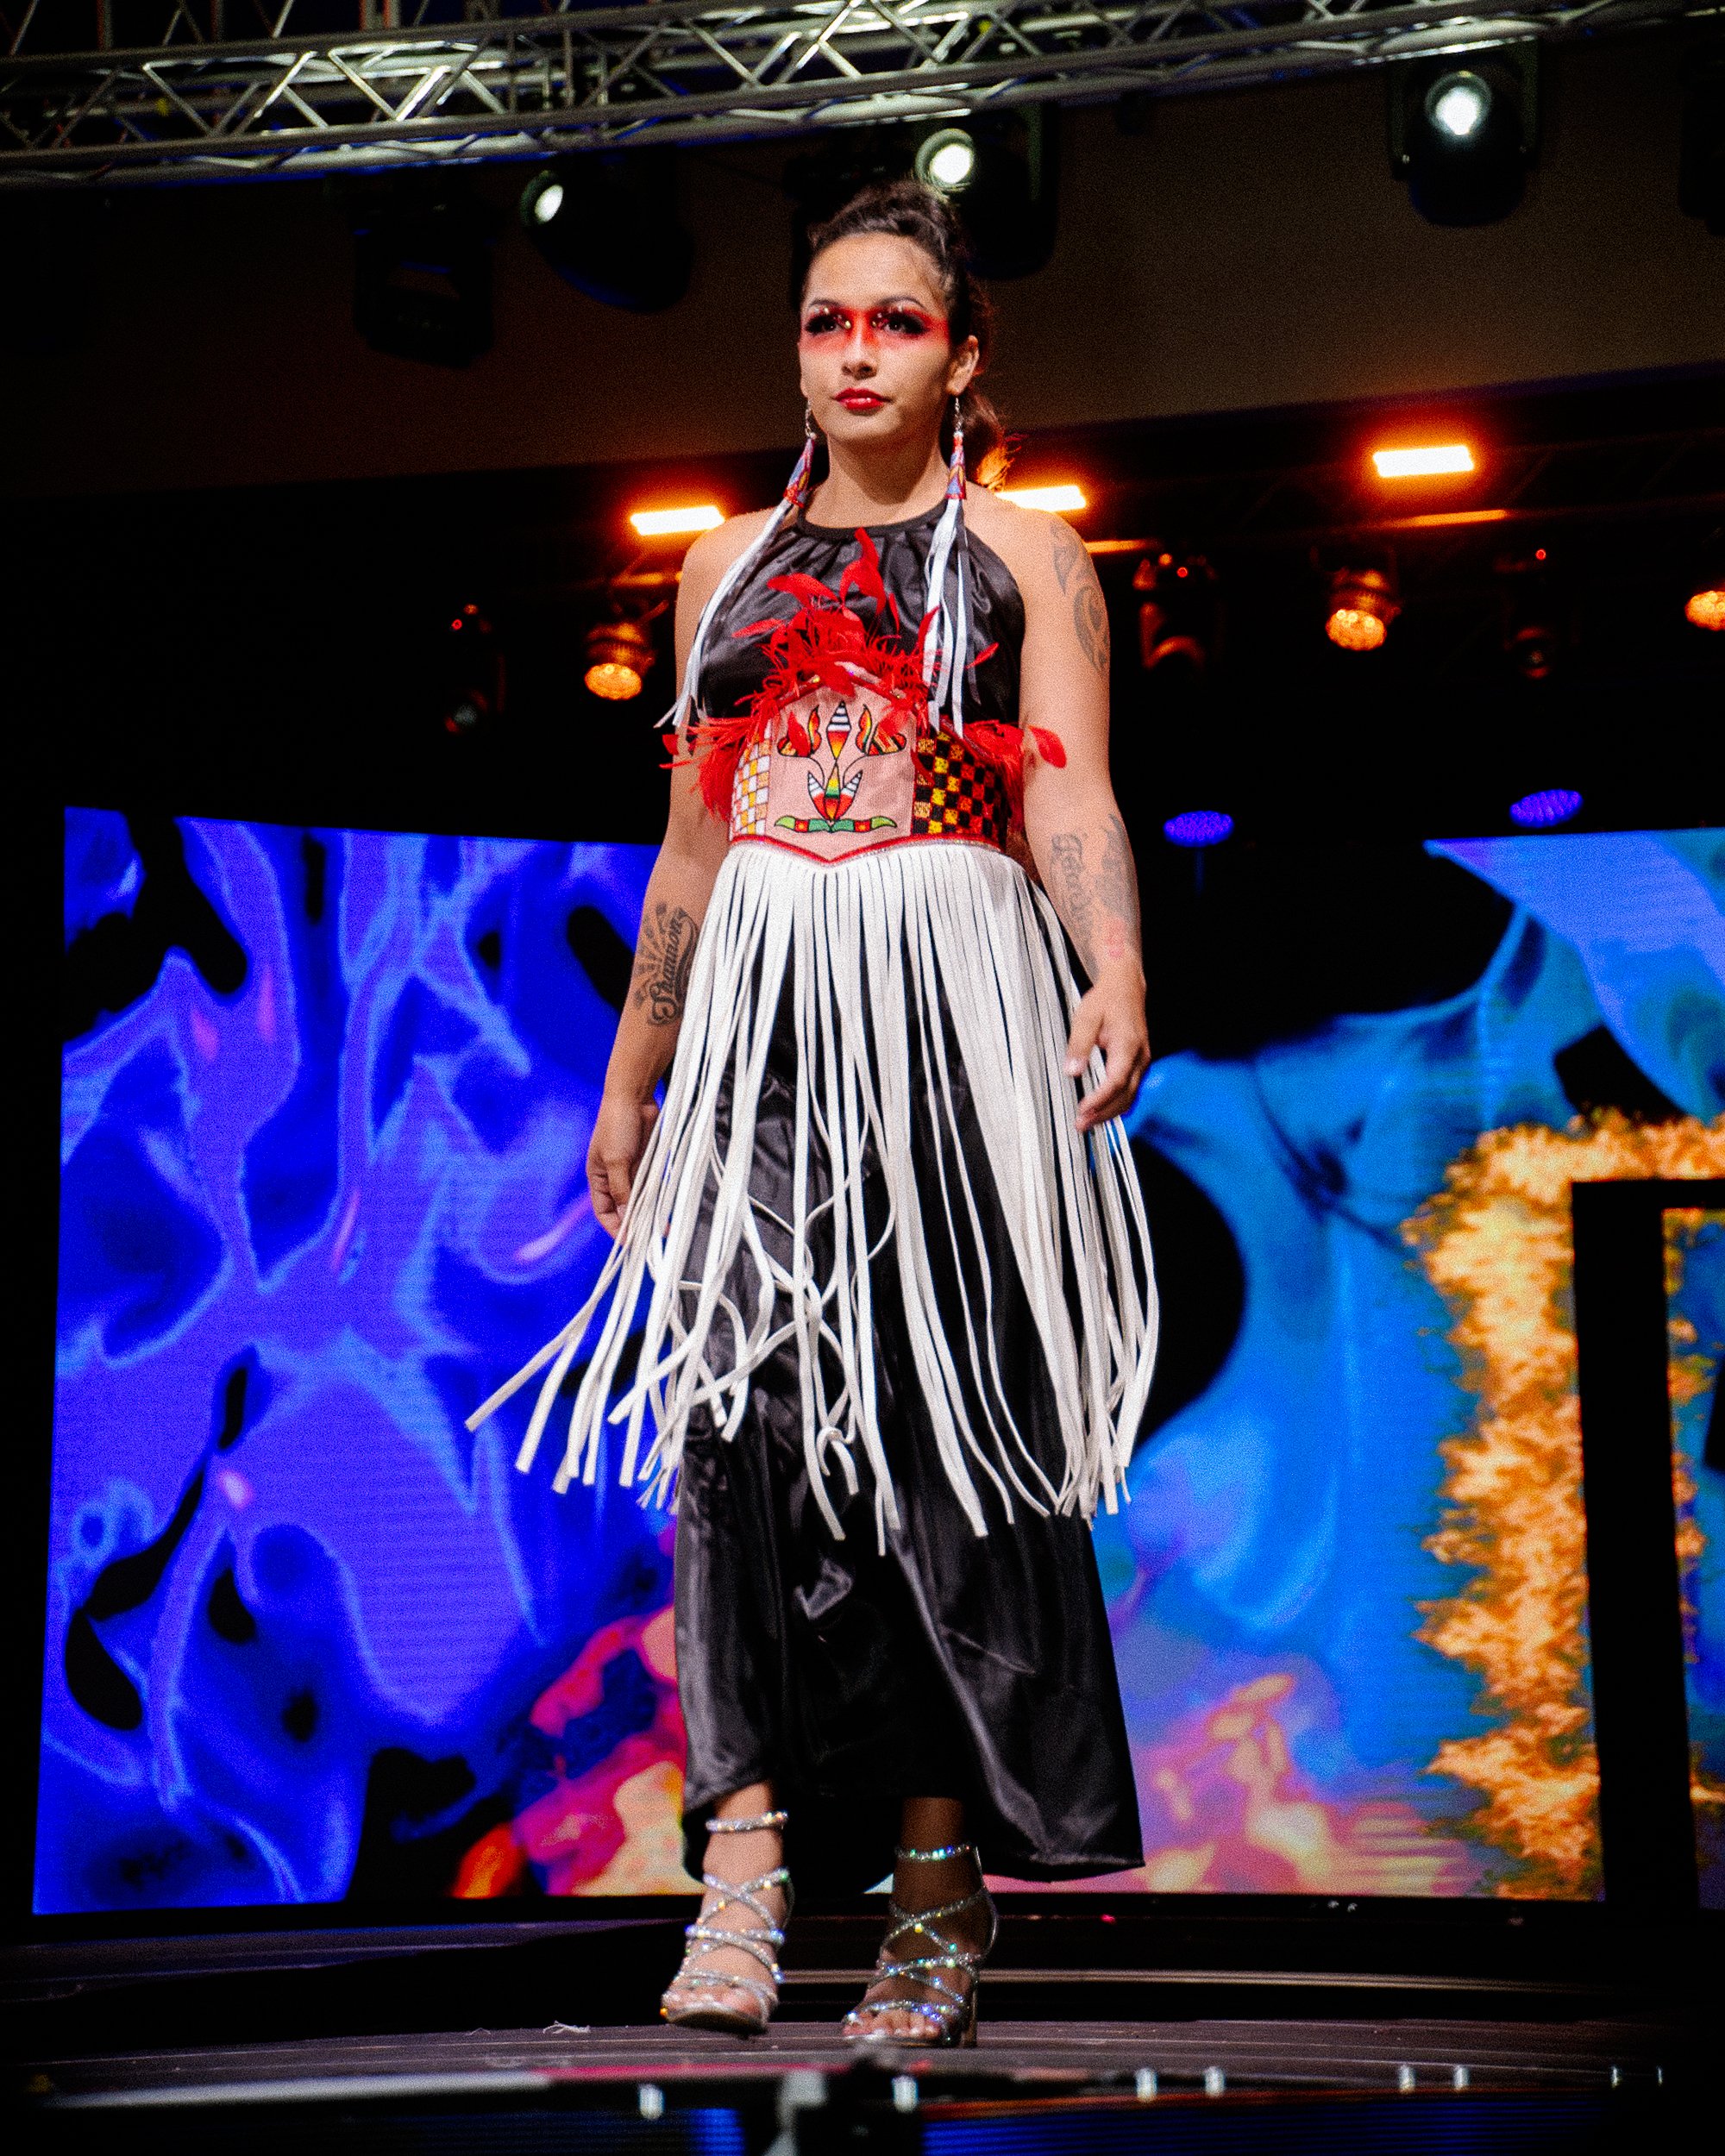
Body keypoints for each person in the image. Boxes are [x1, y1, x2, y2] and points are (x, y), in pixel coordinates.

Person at [470, 180, 1157, 2046]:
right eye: (825, 321)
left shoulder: (1024, 549)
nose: (854, 352)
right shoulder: (717, 565)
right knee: (739, 1438)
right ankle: (747, 1864)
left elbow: (1072, 796)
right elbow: (691, 843)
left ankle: (937, 1882)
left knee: (939, 1442)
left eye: (895, 323)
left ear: (962, 352)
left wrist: (1116, 962)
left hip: (949, 1015)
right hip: (763, 1017)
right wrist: (631, 1077)